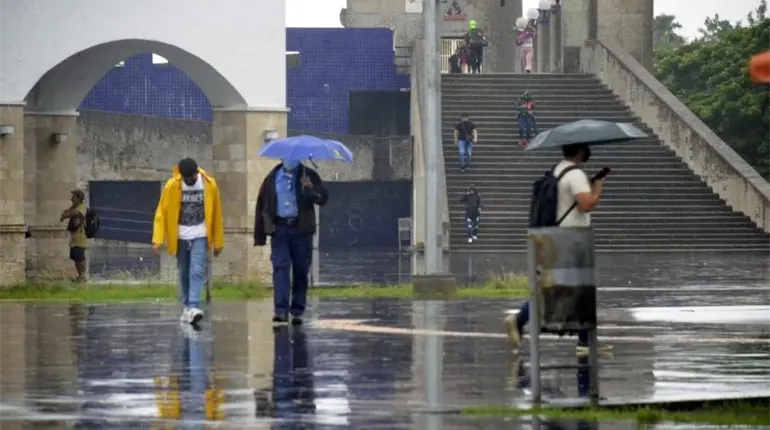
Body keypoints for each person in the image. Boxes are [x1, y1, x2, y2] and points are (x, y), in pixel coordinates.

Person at [506, 143, 605, 351]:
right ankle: (520, 319)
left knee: (570, 290)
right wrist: (597, 189)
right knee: (573, 290)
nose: (589, 151)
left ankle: (585, 340)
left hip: (555, 237)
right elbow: (585, 204)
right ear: (580, 152)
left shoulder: (558, 170)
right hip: (570, 239)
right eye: (586, 148)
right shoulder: (576, 174)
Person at [254, 159, 328, 326]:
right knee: (280, 266)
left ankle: (297, 310)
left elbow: (323, 197)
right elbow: (262, 204)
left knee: (301, 270)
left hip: (301, 230)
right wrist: (261, 232)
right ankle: (280, 310)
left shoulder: (308, 175)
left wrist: (311, 191)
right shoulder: (272, 177)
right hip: (280, 229)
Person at [152, 158, 225, 326]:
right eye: (185, 179)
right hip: (180, 236)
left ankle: (194, 306)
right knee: (184, 271)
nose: (189, 181)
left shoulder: (209, 185)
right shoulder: (172, 186)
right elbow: (161, 212)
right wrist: (157, 239)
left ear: (196, 173)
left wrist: (218, 242)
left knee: (197, 270)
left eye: (191, 178)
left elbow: (217, 215)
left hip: (201, 234)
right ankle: (186, 307)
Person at [60, 189, 89, 282]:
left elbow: (74, 213)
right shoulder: (74, 207)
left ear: (78, 198)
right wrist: (66, 213)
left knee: (80, 257)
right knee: (75, 257)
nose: (72, 199)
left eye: (74, 197)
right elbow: (65, 213)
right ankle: (79, 276)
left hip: (81, 237)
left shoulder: (82, 207)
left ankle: (83, 275)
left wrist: (66, 215)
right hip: (74, 237)